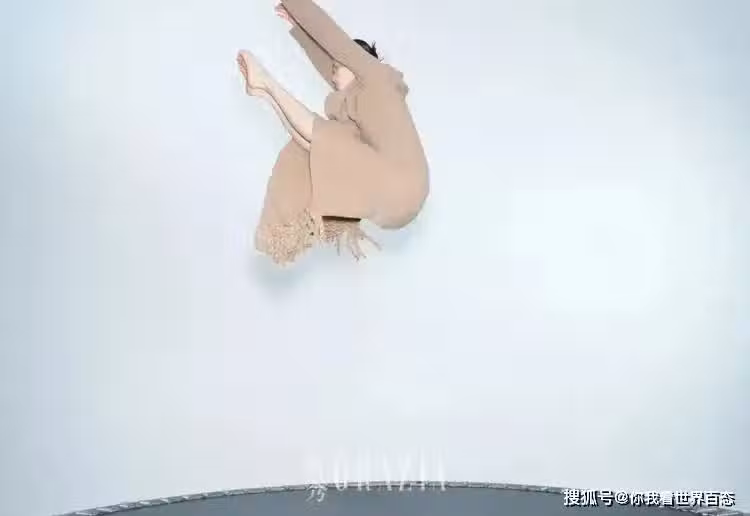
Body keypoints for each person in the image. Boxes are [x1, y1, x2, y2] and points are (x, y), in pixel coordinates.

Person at [237, 0, 429, 265]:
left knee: (324, 137)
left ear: (356, 62)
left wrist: (298, 9)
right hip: (390, 209)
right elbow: (331, 70)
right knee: (314, 147)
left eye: (339, 64)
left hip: (402, 184)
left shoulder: (375, 77)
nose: (333, 69)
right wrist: (299, 30)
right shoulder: (356, 113)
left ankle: (267, 83)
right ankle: (265, 92)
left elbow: (330, 35)